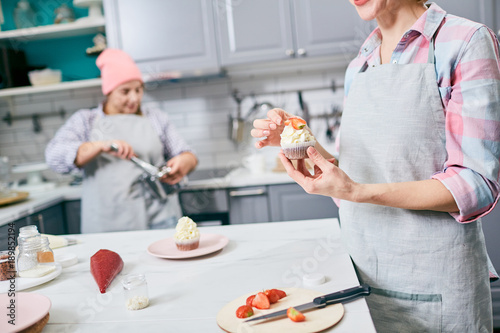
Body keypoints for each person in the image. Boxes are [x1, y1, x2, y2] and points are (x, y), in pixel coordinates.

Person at [252, 1, 500, 332]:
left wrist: (355, 190)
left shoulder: (464, 41)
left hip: (437, 291)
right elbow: (354, 178)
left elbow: (477, 184)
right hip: (362, 285)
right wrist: (299, 142)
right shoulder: (361, 63)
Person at [46, 49, 197, 233]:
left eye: (138, 90)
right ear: (109, 92)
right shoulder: (86, 121)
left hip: (160, 218)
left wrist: (183, 162)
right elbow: (54, 157)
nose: (134, 98)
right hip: (107, 224)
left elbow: (188, 154)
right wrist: (100, 146)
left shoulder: (156, 118)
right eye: (125, 91)